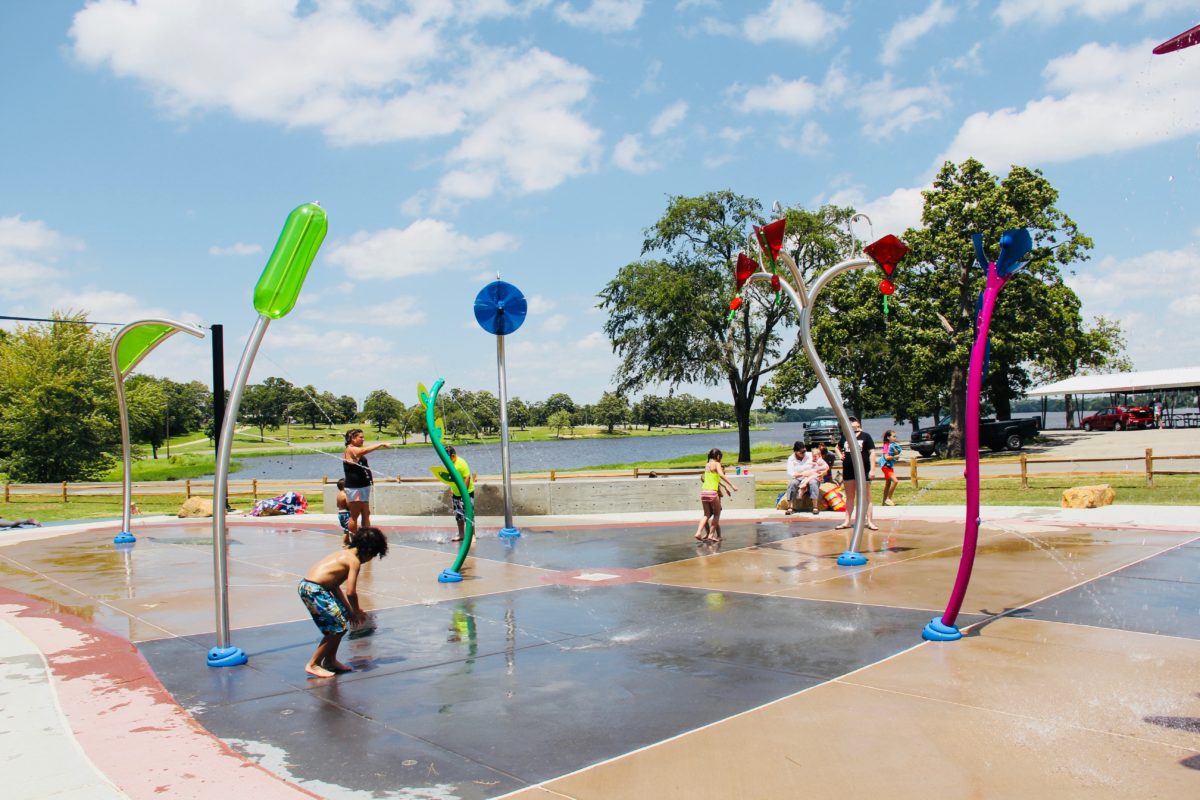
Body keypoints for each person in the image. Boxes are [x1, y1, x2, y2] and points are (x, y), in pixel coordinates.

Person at [297, 526, 388, 678]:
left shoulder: (344, 554)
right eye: (373, 556)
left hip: (310, 587)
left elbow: (334, 586)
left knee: (341, 622)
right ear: (369, 551)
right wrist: (357, 610)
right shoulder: (354, 561)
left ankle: (330, 660)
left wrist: (350, 611)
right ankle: (313, 664)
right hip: (315, 590)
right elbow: (351, 592)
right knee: (337, 627)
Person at [342, 428, 391, 535]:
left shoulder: (355, 449)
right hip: (355, 487)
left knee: (366, 513)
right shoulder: (350, 450)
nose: (363, 439)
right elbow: (363, 451)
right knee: (355, 515)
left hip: (363, 486)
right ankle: (353, 539)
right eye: (361, 437)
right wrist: (380, 444)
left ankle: (366, 537)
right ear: (352, 439)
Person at [835, 417, 878, 531]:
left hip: (863, 469)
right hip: (848, 470)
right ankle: (847, 521)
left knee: (866, 496)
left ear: (858, 423)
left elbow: (872, 452)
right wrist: (840, 455)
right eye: (848, 421)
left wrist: (872, 469)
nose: (850, 423)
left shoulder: (865, 436)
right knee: (849, 497)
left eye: (852, 421)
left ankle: (869, 521)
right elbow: (837, 447)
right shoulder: (846, 436)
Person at [695, 448, 737, 543]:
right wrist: (732, 485)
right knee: (717, 514)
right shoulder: (717, 464)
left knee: (706, 515)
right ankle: (710, 535)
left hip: (704, 493)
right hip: (713, 493)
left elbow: (714, 479)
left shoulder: (707, 465)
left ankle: (698, 532)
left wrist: (725, 487)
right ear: (718, 456)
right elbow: (721, 475)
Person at [446, 445, 476, 543]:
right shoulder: (449, 463)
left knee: (469, 514)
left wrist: (464, 492)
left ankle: (472, 535)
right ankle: (461, 534)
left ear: (453, 456)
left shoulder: (461, 463)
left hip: (467, 492)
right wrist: (451, 488)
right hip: (456, 493)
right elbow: (452, 478)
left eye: (448, 457)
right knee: (459, 515)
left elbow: (467, 477)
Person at [783, 441, 813, 514]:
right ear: (796, 451)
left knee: (813, 482)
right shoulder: (791, 459)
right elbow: (790, 473)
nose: (803, 454)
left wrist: (808, 474)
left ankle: (815, 506)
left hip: (810, 477)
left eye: (804, 452)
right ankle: (790, 507)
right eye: (801, 452)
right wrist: (802, 474)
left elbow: (815, 467)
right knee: (792, 484)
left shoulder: (810, 455)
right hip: (798, 478)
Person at [878, 430, 903, 506]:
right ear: (888, 437)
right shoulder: (886, 445)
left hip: (890, 466)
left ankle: (883, 503)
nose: (895, 438)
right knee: (895, 481)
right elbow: (886, 457)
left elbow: (896, 458)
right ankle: (888, 499)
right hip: (885, 466)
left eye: (895, 436)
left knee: (888, 484)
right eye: (893, 436)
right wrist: (894, 456)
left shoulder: (894, 445)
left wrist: (896, 454)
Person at [335, 478, 351, 542]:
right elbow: (348, 504)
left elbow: (337, 505)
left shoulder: (338, 495)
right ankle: (344, 543)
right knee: (349, 530)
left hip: (340, 513)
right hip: (346, 513)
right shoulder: (345, 495)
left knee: (346, 530)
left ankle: (347, 542)